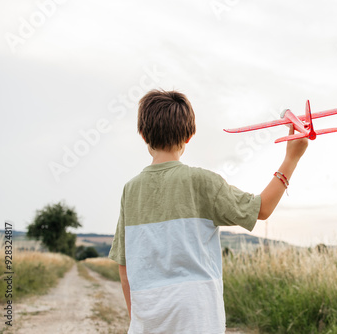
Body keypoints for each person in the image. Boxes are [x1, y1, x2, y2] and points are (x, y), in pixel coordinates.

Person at [108, 89, 307, 333]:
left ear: (142, 133)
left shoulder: (131, 190)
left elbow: (124, 265)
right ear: (189, 135)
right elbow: (262, 208)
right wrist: (291, 158)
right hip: (198, 317)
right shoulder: (203, 181)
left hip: (147, 320)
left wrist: (136, 318)